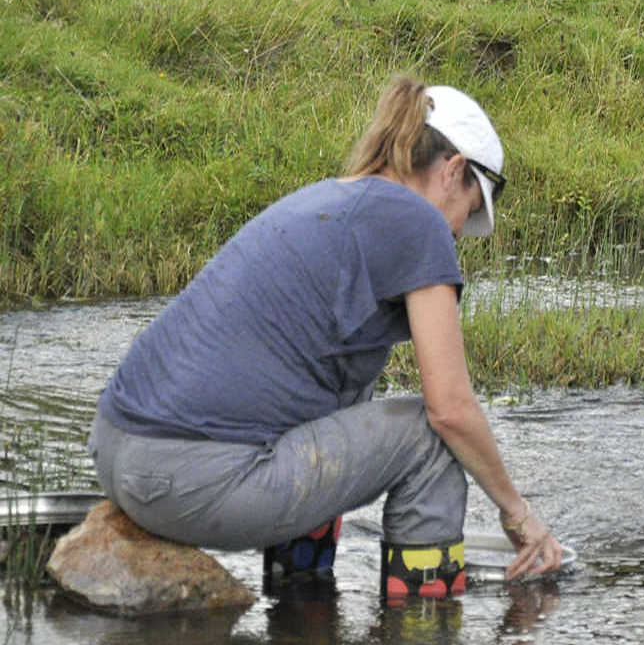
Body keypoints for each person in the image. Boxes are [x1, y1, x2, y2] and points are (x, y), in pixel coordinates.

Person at [90, 75, 565, 602]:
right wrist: (518, 514)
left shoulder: (328, 197)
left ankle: (303, 605)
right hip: (189, 482)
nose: (458, 233)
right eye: (469, 212)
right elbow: (450, 409)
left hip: (118, 455)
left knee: (348, 399)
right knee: (432, 438)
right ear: (452, 172)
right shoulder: (419, 224)